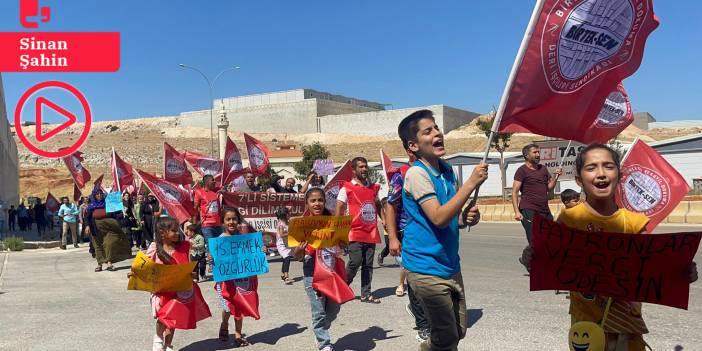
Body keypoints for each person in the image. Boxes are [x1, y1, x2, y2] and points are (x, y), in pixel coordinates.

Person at [520, 144, 698, 351]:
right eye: (591, 167)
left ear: (620, 176)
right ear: (579, 179)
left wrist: (681, 272)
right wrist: (532, 259)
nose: (601, 173)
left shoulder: (634, 222)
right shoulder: (569, 218)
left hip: (625, 325)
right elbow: (547, 260)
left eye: (608, 166)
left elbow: (653, 268)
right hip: (586, 326)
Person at [398, 109, 486, 351]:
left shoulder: (446, 170)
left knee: (458, 331)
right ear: (413, 145)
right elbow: (437, 217)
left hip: (449, 264)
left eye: (437, 128)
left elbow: (450, 217)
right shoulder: (417, 174)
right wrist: (470, 184)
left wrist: (466, 218)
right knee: (447, 338)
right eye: (428, 131)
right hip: (424, 267)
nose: (438, 133)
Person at [129, 217, 211, 351]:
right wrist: (134, 273)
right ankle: (158, 337)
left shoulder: (183, 247)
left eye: (177, 230)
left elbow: (188, 266)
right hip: (161, 291)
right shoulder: (154, 247)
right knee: (163, 317)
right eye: (173, 231)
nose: (177, 233)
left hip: (178, 290)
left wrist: (192, 275)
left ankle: (168, 345)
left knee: (173, 318)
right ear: (162, 233)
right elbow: (143, 266)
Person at [383, 150, 431, 342]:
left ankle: (421, 310)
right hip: (407, 232)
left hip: (432, 233)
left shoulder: (437, 172)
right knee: (415, 278)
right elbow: (391, 205)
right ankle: (423, 325)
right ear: (411, 150)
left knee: (432, 279)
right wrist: (393, 237)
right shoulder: (401, 175)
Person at [294, 187, 346, 351]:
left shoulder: (334, 222)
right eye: (313, 200)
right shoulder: (300, 224)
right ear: (307, 203)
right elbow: (298, 257)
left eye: (320, 200)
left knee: (335, 307)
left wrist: (343, 241)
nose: (317, 203)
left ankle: (320, 330)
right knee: (319, 311)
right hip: (312, 273)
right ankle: (324, 343)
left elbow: (344, 245)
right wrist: (299, 250)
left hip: (332, 271)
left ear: (324, 202)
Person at [335, 156, 382, 303]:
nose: (364, 169)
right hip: (353, 232)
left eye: (365, 166)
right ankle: (342, 288)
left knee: (368, 264)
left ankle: (366, 294)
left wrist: (385, 220)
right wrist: (338, 231)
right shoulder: (346, 188)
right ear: (354, 170)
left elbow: (378, 204)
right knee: (356, 261)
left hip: (371, 232)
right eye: (361, 167)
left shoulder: (373, 187)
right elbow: (339, 208)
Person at [211, 207, 260, 347]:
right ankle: (225, 323)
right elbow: (215, 261)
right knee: (227, 307)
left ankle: (238, 335)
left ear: (238, 221)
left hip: (240, 280)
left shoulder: (244, 239)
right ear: (223, 222)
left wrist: (260, 251)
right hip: (225, 282)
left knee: (239, 306)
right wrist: (211, 258)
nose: (231, 222)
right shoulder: (219, 241)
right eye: (228, 219)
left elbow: (251, 256)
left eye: (234, 219)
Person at [511, 144, 562, 244]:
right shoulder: (521, 171)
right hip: (529, 209)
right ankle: (533, 258)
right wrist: (517, 211)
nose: (538, 154)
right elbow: (514, 192)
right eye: (535, 152)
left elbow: (549, 187)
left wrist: (556, 176)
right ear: (526, 155)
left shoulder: (543, 169)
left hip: (544, 209)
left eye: (539, 152)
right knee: (535, 239)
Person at [84, 188, 132, 272]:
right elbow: (87, 217)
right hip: (95, 227)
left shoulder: (108, 204)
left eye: (100, 194)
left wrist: (120, 203)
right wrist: (87, 226)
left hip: (109, 227)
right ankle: (100, 264)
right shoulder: (91, 206)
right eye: (97, 194)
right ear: (94, 195)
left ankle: (109, 263)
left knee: (109, 244)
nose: (99, 195)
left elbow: (117, 214)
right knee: (97, 245)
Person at [193, 175, 223, 240]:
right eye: (212, 180)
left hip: (219, 224)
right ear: (207, 182)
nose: (215, 182)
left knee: (221, 245)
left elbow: (225, 191)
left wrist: (224, 192)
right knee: (211, 246)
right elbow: (195, 208)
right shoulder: (199, 192)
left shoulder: (217, 190)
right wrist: (194, 222)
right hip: (207, 225)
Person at [275, 207, 293, 284]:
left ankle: (282, 275)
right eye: (288, 214)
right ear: (285, 215)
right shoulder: (281, 224)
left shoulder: (287, 222)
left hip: (286, 244)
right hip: (281, 244)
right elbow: (282, 234)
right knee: (287, 258)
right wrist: (291, 233)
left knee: (285, 258)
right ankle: (286, 276)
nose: (290, 215)